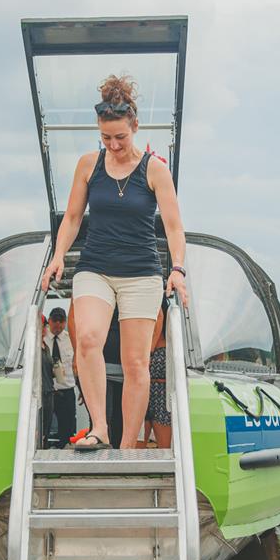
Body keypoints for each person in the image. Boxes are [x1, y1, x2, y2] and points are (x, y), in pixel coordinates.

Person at [41, 74, 188, 451]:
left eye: (120, 137)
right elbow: (73, 218)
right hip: (96, 267)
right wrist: (58, 255)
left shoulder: (155, 170)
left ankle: (125, 446)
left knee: (135, 362)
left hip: (141, 272)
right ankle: (100, 429)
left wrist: (178, 269)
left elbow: (173, 227)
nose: (113, 145)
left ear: (135, 127)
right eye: (106, 138)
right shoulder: (89, 165)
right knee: (88, 339)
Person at [43, 306, 77, 448]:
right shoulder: (42, 340)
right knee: (44, 425)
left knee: (67, 427)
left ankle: (66, 453)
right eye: (55, 320)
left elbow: (77, 365)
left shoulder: (71, 340)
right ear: (49, 321)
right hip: (48, 391)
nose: (58, 324)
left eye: (61, 321)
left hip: (67, 390)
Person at [142, 301, 171, 448]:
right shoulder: (140, 339)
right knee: (136, 448)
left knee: (165, 447)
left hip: (162, 398)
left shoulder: (172, 342)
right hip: (141, 395)